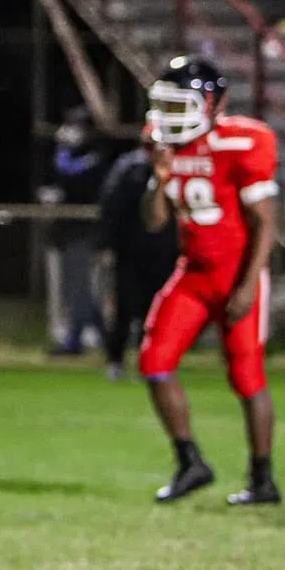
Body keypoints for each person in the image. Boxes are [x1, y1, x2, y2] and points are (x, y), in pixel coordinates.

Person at [138, 55, 282, 506]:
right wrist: (159, 178)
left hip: (237, 274)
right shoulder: (166, 146)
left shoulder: (244, 142)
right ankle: (190, 463)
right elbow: (153, 222)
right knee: (154, 361)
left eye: (179, 105)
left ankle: (262, 479)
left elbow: (264, 223)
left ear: (213, 105)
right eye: (165, 105)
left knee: (246, 378)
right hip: (193, 275)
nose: (169, 117)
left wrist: (248, 285)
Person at [98, 136, 180, 381]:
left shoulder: (175, 168)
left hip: (163, 252)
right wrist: (107, 244)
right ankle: (116, 360)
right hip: (130, 252)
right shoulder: (128, 169)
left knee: (155, 312)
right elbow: (111, 209)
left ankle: (151, 361)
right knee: (123, 308)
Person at [41, 105, 109, 355]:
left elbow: (73, 175)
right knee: (79, 288)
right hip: (69, 230)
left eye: (78, 126)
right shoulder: (71, 155)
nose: (71, 131)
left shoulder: (96, 156)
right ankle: (109, 338)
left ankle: (75, 341)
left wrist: (62, 149)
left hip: (87, 229)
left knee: (80, 288)